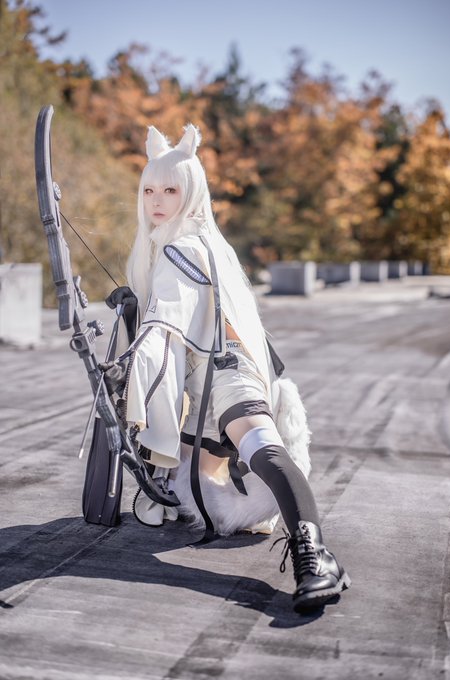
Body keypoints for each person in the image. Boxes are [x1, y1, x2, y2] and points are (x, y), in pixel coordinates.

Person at [103, 124, 351, 613]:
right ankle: (311, 552)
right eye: (149, 190)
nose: (157, 201)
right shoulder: (201, 240)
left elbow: (164, 325)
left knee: (262, 448)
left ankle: (314, 555)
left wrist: (126, 365)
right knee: (208, 475)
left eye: (170, 190)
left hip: (228, 371)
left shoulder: (181, 248)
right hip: (214, 375)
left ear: (192, 191)